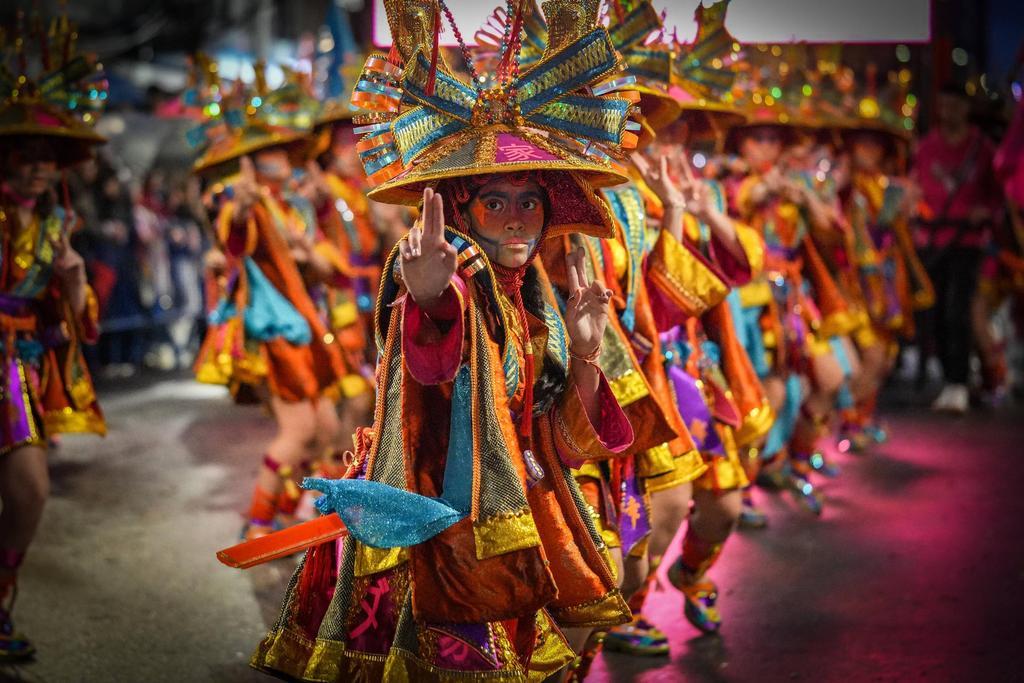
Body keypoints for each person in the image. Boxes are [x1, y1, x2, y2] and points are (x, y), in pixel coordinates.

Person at [251, 1, 643, 678]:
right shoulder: (457, 277)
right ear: (463, 208)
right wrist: (430, 296)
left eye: (530, 201)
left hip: (525, 511)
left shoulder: (538, 298)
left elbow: (570, 438)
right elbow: (433, 346)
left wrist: (584, 348)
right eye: (498, 200)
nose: (518, 219)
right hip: (451, 524)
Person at [188, 58, 348, 539]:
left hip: (307, 323)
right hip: (274, 329)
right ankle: (258, 524)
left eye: (283, 147)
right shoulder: (249, 204)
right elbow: (234, 240)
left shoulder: (293, 207)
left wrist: (313, 250)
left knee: (324, 428)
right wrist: (240, 211)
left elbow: (329, 264)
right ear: (251, 162)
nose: (282, 155)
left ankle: (284, 511)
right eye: (270, 150)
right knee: (298, 431)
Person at [0, 14, 107, 660]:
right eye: (24, 154)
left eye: (47, 157)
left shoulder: (56, 226)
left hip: (21, 370)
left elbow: (81, 320)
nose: (38, 168)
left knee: (30, 490)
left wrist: (70, 281)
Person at [913, 84, 1003, 413]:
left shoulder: (982, 148)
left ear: (966, 108)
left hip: (968, 241)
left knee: (959, 310)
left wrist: (986, 213)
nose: (949, 112)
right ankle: (951, 378)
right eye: (944, 105)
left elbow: (999, 195)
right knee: (933, 312)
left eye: (955, 105)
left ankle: (959, 382)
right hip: (933, 239)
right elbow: (916, 185)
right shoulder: (926, 147)